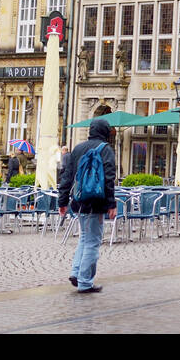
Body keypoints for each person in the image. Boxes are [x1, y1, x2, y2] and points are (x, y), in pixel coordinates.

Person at [57, 117, 117, 294]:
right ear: (105, 131)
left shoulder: (77, 149)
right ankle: (85, 282)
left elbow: (66, 176)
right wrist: (111, 203)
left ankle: (76, 273)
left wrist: (62, 201)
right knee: (93, 242)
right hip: (96, 201)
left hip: (78, 201)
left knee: (84, 238)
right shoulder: (105, 150)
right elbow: (109, 178)